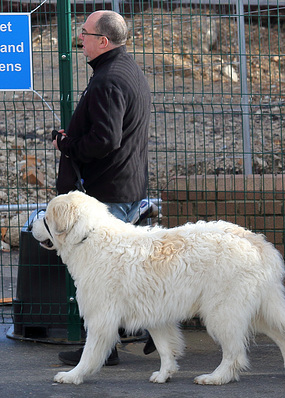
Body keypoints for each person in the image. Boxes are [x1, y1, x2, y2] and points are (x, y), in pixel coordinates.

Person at [52, 10, 154, 366]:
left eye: (84, 33)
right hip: (125, 184)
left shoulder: (108, 79)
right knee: (123, 274)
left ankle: (106, 348)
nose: (80, 38)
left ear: (103, 41)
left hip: (108, 190)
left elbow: (106, 139)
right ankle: (138, 334)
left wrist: (68, 147)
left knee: (103, 277)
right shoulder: (128, 70)